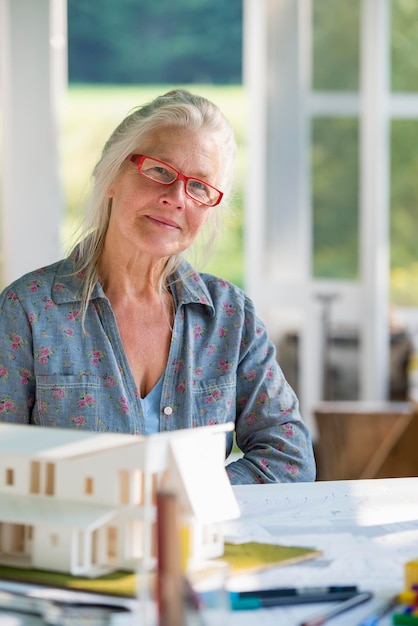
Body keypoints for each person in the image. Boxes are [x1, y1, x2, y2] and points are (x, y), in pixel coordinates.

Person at [0, 89, 315, 485]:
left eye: (199, 186)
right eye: (159, 170)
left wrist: (188, 501)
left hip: (195, 545)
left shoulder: (231, 317)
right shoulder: (27, 310)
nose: (175, 198)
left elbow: (289, 456)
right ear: (111, 175)